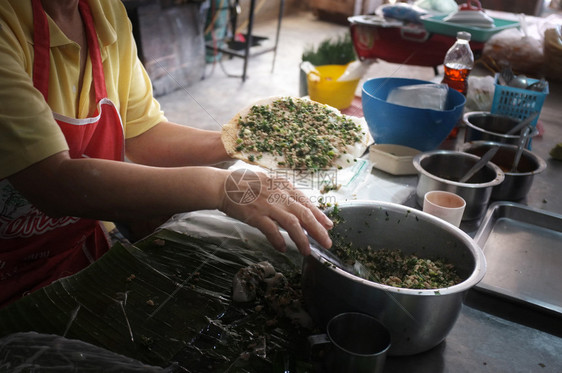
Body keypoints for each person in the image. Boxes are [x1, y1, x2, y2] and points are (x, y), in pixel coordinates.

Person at [0, 0, 333, 307]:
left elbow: (145, 133)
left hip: (78, 247)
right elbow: (53, 182)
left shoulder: (104, 13)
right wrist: (222, 189)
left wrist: (239, 141)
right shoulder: (9, 25)